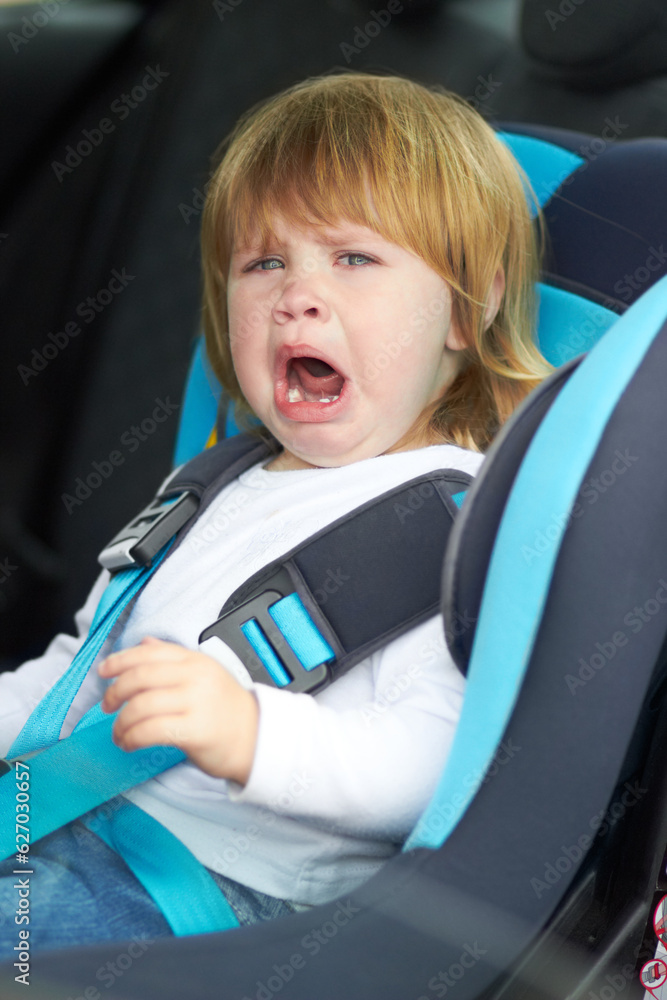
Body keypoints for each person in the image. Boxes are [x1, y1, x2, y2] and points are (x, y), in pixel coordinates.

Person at [0, 70, 551, 958]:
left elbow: (424, 763)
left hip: (217, 890)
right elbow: (82, 667)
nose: (297, 293)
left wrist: (252, 733)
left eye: (353, 258)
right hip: (66, 815)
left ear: (468, 307)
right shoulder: (211, 480)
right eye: (264, 262)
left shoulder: (453, 525)